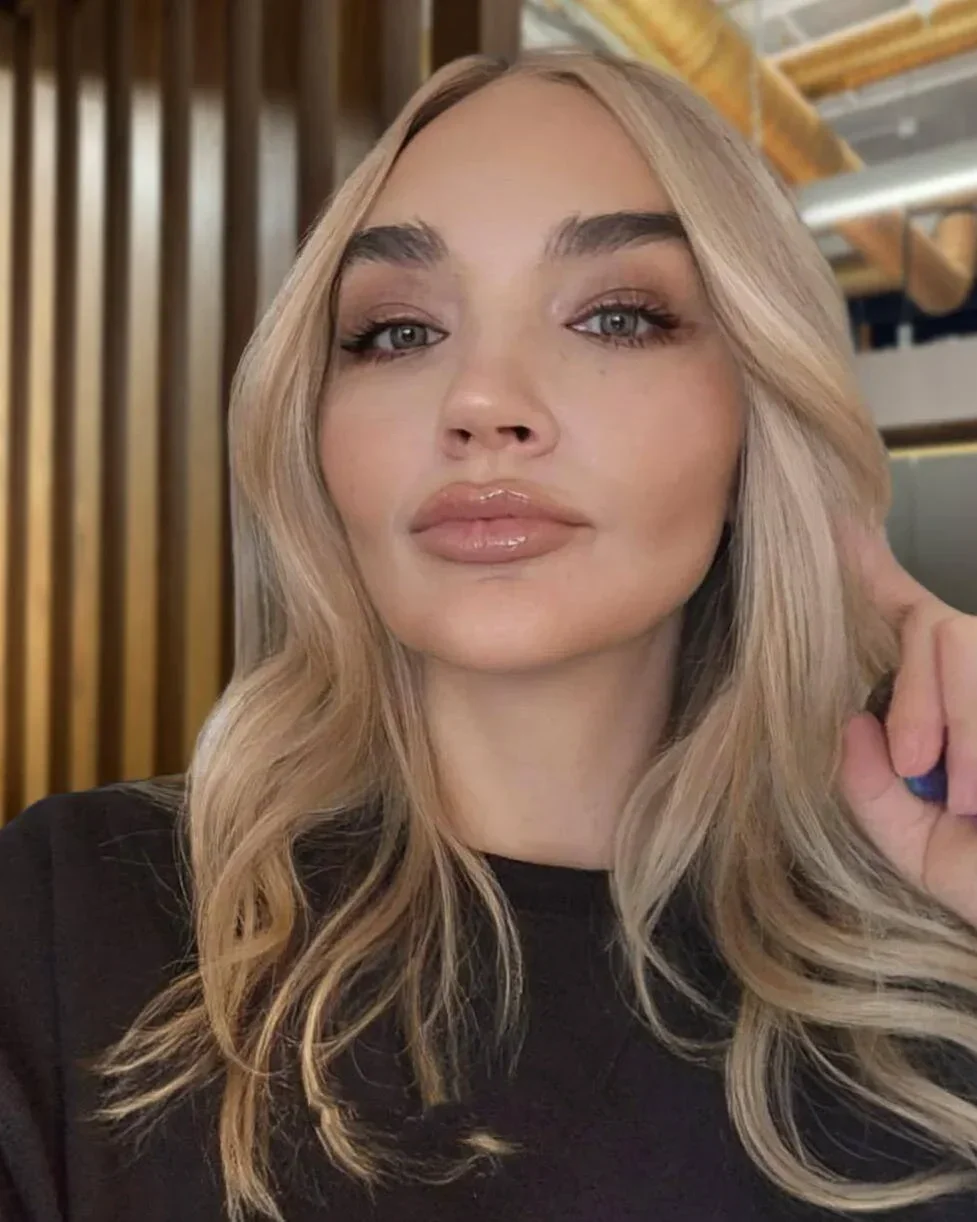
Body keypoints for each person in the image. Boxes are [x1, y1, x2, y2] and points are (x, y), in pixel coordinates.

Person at [1, 48, 977, 1222]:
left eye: (616, 316)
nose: (479, 402)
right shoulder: (64, 920)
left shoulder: (930, 978)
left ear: (758, 413)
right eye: (397, 332)